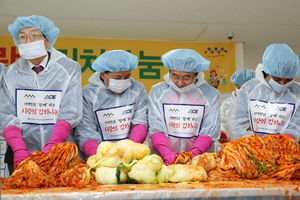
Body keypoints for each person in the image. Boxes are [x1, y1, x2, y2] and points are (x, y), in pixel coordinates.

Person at [1, 15, 83, 173]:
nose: (28, 41)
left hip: (60, 152)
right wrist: (19, 148)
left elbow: (70, 110)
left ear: (48, 40)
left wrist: (53, 145)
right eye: (22, 37)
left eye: (34, 35)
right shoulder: (10, 72)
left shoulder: (68, 68)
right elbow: (5, 113)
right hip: (21, 154)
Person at [148, 49, 220, 166]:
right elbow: (156, 127)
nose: (180, 83)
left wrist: (193, 155)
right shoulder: (158, 92)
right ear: (169, 72)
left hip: (199, 160)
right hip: (163, 158)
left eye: (186, 78)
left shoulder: (210, 94)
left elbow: (209, 130)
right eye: (175, 76)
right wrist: (166, 153)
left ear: (197, 75)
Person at [74, 50, 148, 158]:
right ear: (103, 74)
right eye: (117, 78)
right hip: (100, 153)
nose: (123, 81)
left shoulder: (137, 89)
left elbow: (141, 121)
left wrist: (132, 146)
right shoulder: (88, 94)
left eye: (127, 77)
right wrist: (98, 156)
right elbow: (86, 130)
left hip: (131, 153)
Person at [229, 43, 300, 143]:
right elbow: (237, 123)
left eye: (288, 80)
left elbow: (297, 124)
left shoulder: (297, 92)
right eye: (276, 79)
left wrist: (285, 140)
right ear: (267, 72)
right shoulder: (250, 88)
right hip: (252, 146)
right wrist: (255, 144)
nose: (282, 84)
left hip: (284, 148)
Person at [220, 69, 255, 140]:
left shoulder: (258, 103)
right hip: (232, 142)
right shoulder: (228, 103)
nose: (241, 90)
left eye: (245, 87)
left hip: (255, 142)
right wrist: (223, 133)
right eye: (238, 87)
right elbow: (222, 123)